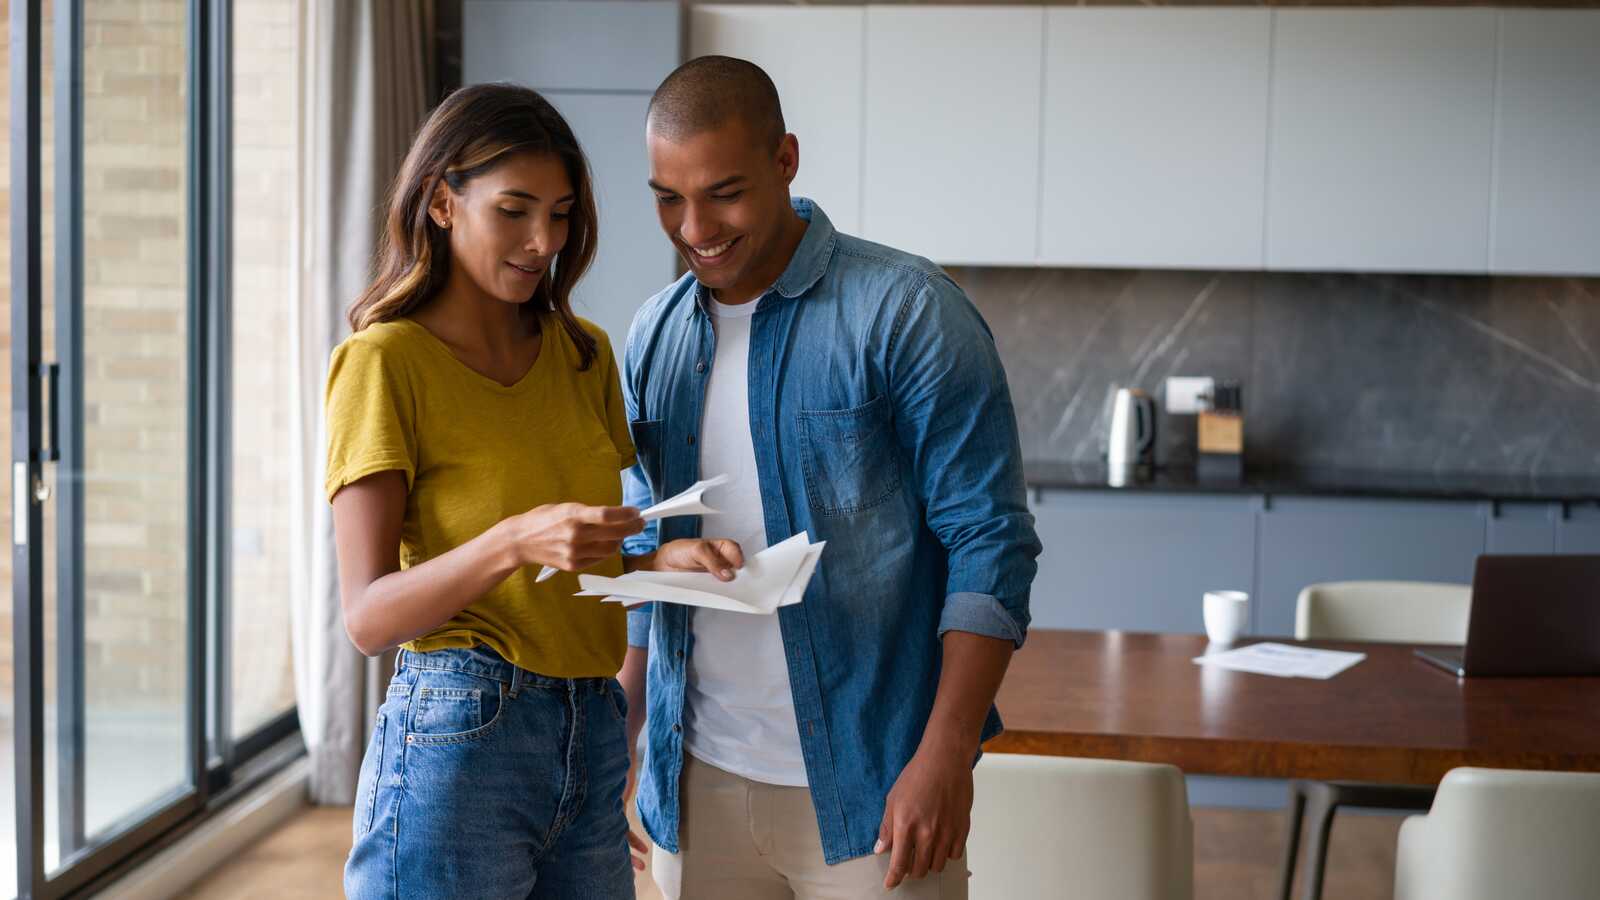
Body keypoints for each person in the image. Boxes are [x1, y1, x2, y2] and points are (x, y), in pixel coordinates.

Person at [617, 57, 1042, 899]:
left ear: (786, 160)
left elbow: (990, 545)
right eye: (669, 197)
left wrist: (945, 757)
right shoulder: (652, 335)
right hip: (695, 782)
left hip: (875, 786)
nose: (695, 226)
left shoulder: (908, 311)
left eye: (724, 192)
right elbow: (645, 548)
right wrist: (615, 747)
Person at [328, 82, 741, 899]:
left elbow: (584, 563)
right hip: (459, 730)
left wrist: (663, 557)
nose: (541, 241)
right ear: (443, 202)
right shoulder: (385, 363)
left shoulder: (582, 355)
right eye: (513, 211)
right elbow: (368, 617)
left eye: (558, 214)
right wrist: (513, 540)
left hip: (587, 734)